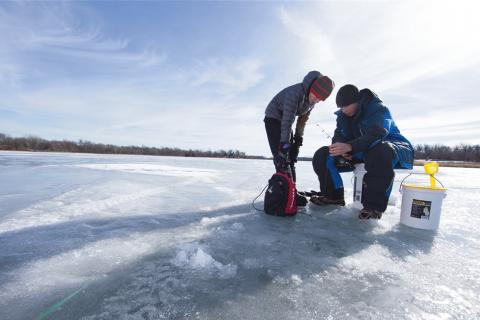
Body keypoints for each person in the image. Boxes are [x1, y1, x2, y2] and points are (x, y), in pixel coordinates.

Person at [311, 84, 414, 219]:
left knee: (380, 151)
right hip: (361, 150)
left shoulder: (378, 109)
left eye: (346, 105)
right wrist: (341, 149)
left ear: (357, 101)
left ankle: (373, 207)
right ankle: (333, 196)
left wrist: (350, 146)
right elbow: (339, 137)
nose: (343, 110)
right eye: (341, 107)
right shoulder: (343, 116)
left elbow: (377, 134)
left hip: (392, 148)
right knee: (323, 154)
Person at [264, 71, 334, 184]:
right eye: (316, 97)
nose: (317, 101)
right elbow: (287, 122)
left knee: (291, 157)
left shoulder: (311, 101)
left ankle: (293, 191)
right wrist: (284, 146)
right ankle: (284, 193)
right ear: (312, 89)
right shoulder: (294, 94)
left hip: (285, 121)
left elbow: (302, 120)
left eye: (320, 99)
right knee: (281, 157)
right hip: (273, 118)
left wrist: (298, 139)